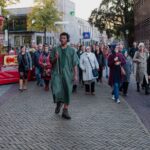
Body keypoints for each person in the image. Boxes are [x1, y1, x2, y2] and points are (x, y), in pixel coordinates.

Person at [51, 32, 79, 120]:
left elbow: (75, 63)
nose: (62, 39)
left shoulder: (72, 50)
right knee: (56, 90)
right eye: (61, 38)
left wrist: (76, 75)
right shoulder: (55, 49)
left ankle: (65, 110)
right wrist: (55, 58)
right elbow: (51, 62)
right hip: (57, 74)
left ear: (67, 39)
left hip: (68, 74)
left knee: (67, 91)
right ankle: (59, 103)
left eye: (64, 38)